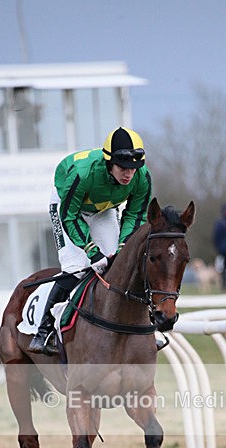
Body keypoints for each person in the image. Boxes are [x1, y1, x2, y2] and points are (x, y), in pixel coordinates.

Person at [29, 126, 152, 355]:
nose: (129, 174)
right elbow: (70, 216)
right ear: (109, 162)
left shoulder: (142, 177)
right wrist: (91, 251)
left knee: (117, 265)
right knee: (76, 268)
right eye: (123, 168)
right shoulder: (82, 173)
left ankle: (138, 327)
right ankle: (44, 329)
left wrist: (124, 246)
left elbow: (135, 215)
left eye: (133, 169)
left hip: (104, 208)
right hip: (68, 206)